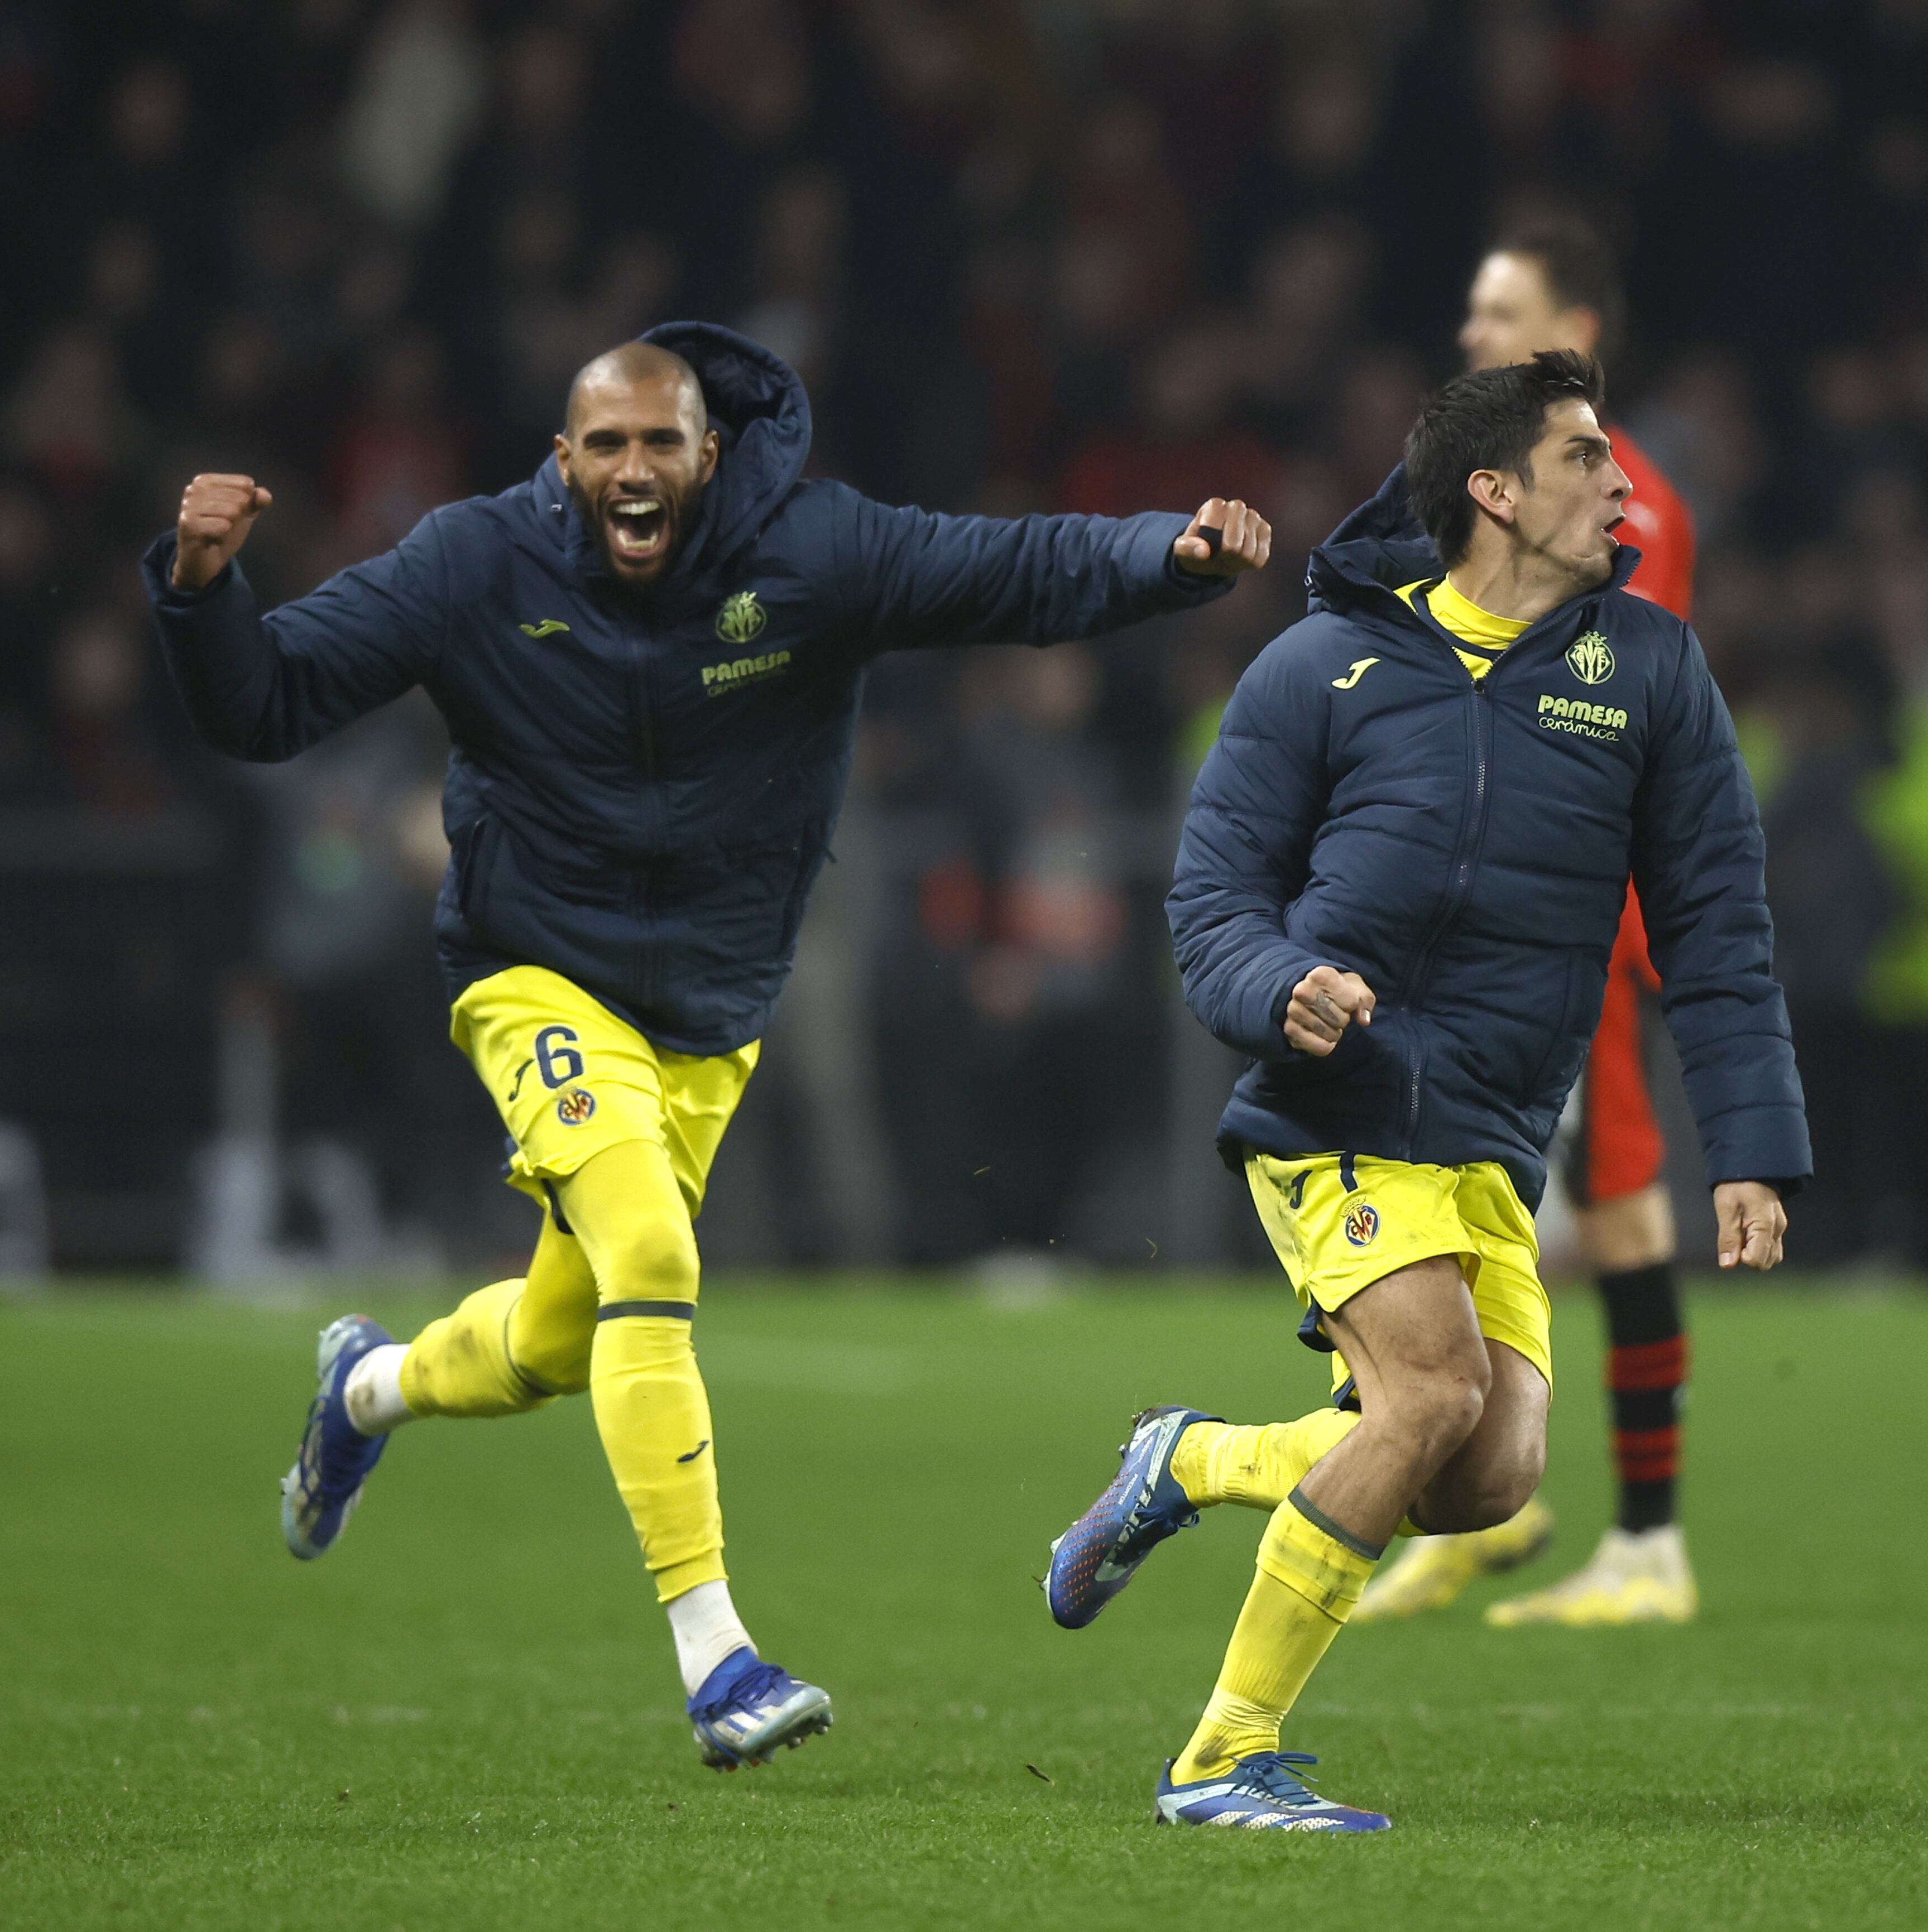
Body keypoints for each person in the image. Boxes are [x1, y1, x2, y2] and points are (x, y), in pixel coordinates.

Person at [145, 324, 1269, 1772]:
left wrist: (1165, 557)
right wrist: (199, 589)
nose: (630, 469)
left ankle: (366, 1384)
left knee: (559, 1339)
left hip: (707, 1015)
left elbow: (1013, 572)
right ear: (562, 464)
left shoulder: (811, 549)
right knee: (660, 1261)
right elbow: (266, 700)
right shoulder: (472, 563)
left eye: (657, 443)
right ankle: (717, 1656)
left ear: (709, 454)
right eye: (602, 445)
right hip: (532, 975)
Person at [1042, 351, 1806, 1830]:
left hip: (1494, 1132)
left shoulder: (1647, 667)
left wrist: (1754, 1146)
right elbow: (1212, 900)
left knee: (1485, 1475)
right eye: (1588, 457)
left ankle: (1188, 1458)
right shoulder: (1318, 664)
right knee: (1436, 1387)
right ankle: (1222, 1756)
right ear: (1495, 491)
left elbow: (1717, 921)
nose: (1623, 483)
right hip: (1335, 1102)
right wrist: (1283, 989)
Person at [1351, 215, 1710, 1626]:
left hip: (1573, 928)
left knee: (1595, 1210)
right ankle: (1493, 1505)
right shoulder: (1480, 497)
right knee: (1513, 1204)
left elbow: (1604, 699)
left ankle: (1641, 1544)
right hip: (1510, 917)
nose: (1471, 334)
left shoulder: (1631, 510)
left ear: (1576, 339)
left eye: (1499, 314)